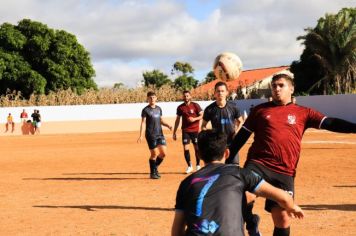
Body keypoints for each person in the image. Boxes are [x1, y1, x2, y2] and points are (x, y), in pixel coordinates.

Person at [229, 73, 356, 236]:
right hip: (258, 164)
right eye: (274, 86)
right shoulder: (259, 111)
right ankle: (251, 223)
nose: (276, 89)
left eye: (281, 85)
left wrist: (354, 127)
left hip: (284, 172)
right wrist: (228, 157)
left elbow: (329, 122)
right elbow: (242, 137)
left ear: (292, 89)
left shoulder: (303, 113)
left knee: (282, 218)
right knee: (246, 196)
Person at [171, 130, 304, 236]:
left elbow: (176, 232)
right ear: (227, 153)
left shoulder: (186, 183)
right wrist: (292, 207)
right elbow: (284, 198)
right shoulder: (239, 173)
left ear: (198, 155)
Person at [201, 81, 244, 165]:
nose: (220, 93)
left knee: (234, 168)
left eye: (222, 91)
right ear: (214, 93)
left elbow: (241, 121)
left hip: (232, 143)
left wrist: (237, 132)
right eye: (218, 91)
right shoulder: (209, 109)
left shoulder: (233, 107)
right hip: (218, 145)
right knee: (219, 170)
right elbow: (203, 126)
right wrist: (209, 137)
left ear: (227, 93)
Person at [137, 91, 172, 179]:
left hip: (160, 134)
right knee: (154, 154)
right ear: (147, 99)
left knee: (163, 153)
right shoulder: (145, 110)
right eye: (150, 97)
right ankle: (153, 173)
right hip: (150, 135)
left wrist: (168, 125)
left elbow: (161, 120)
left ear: (156, 98)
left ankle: (154, 168)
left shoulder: (159, 109)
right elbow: (143, 123)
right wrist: (141, 135)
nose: (152, 99)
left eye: (153, 97)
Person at [173, 90, 203, 174]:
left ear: (190, 96)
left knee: (197, 148)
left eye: (187, 96)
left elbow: (202, 115)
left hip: (195, 130)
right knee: (186, 149)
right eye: (184, 96)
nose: (186, 97)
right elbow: (177, 120)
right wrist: (174, 132)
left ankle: (198, 165)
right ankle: (189, 166)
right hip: (185, 131)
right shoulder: (180, 107)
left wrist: (194, 119)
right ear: (183, 97)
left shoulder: (195, 105)